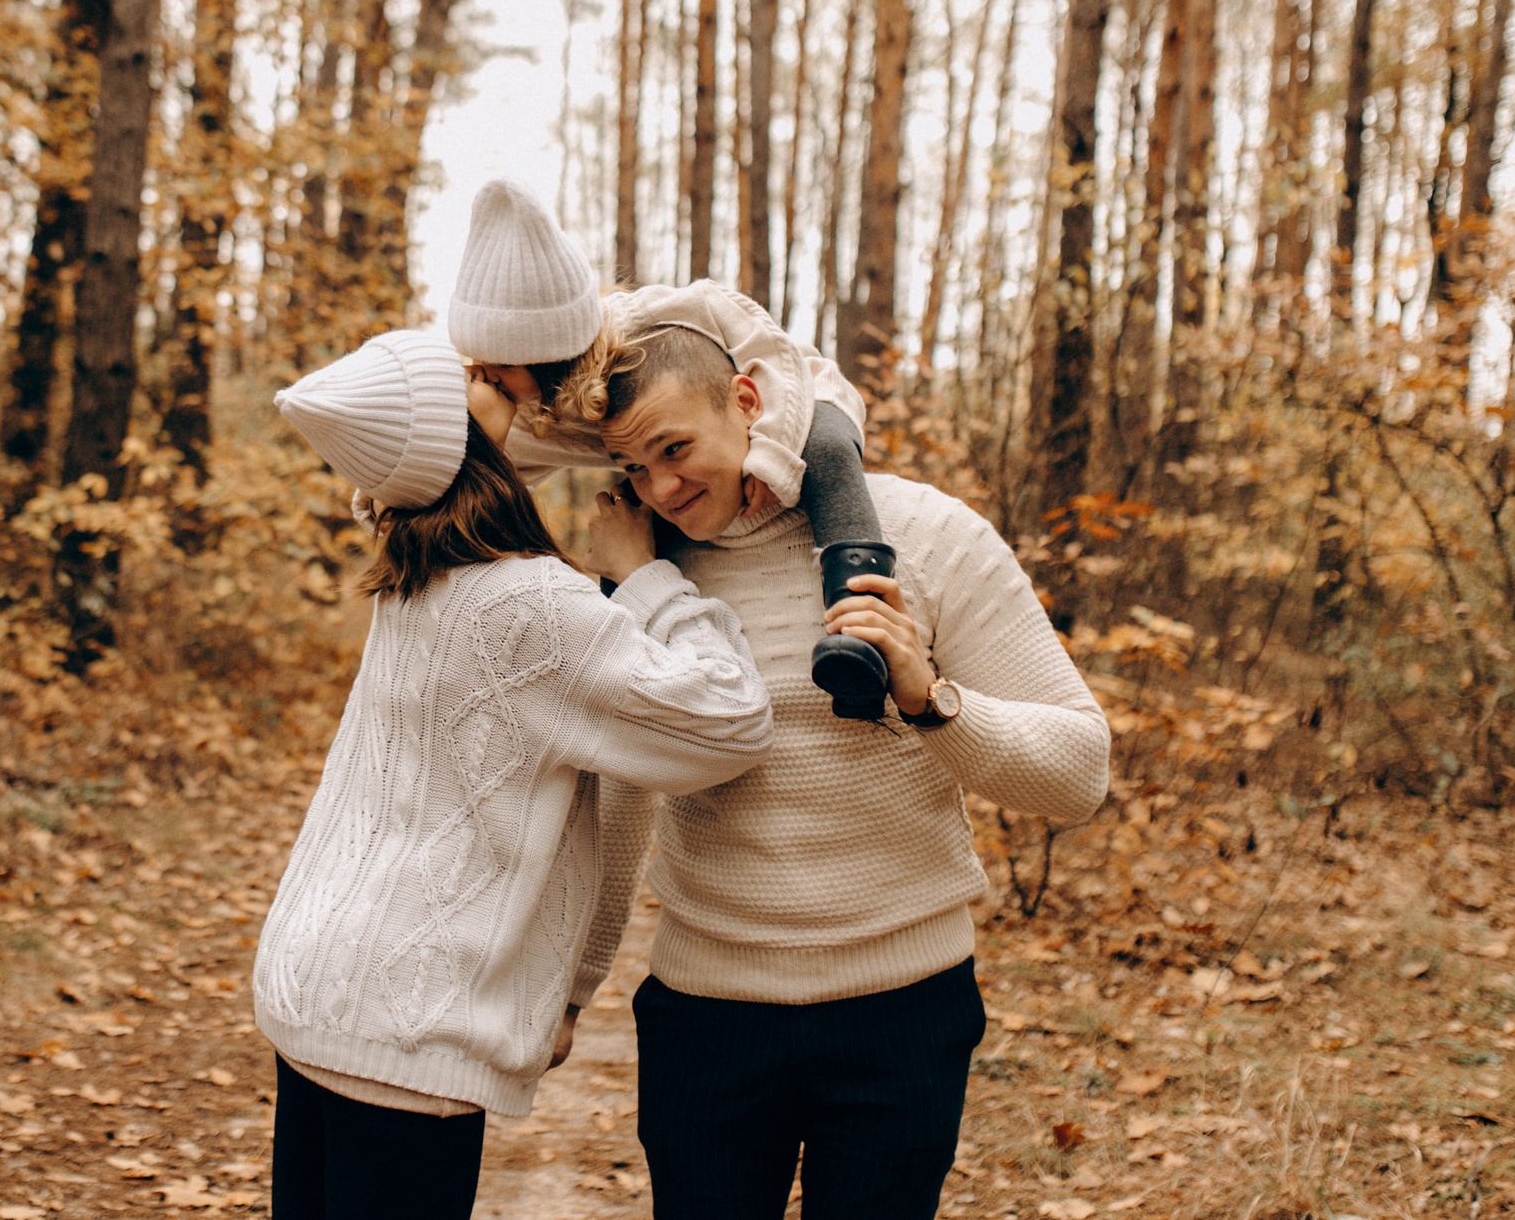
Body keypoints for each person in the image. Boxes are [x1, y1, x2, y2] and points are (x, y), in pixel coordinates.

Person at [581, 323, 1112, 1220]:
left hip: (901, 1014)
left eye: (676, 449)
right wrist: (573, 984)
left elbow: (1079, 771)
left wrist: (930, 697)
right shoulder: (645, 574)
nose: (661, 488)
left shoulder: (926, 534)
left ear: (748, 400)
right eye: (633, 467)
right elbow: (619, 797)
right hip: (707, 1017)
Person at [254, 328, 775, 1220]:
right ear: (445, 441)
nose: (490, 374)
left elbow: (392, 449)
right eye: (470, 380)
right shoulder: (531, 605)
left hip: (316, 989)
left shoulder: (408, 553)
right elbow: (730, 720)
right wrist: (647, 578)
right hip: (405, 1029)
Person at [446, 178, 900, 719]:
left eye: (499, 367)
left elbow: (773, 357)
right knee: (626, 519)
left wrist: (767, 453)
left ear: (545, 348)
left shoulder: (662, 315)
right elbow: (460, 474)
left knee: (826, 448)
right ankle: (626, 678)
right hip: (653, 456)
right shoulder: (524, 404)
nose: (488, 379)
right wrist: (476, 436)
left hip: (795, 401)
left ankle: (861, 634)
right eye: (478, 366)